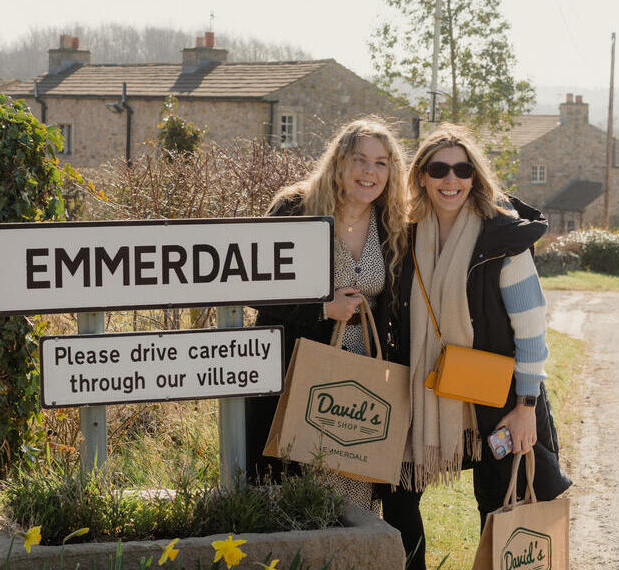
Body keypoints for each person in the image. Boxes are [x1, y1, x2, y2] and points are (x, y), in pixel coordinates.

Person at [379, 124, 571, 570]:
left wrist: (526, 406)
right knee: (398, 498)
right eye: (439, 168)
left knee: (502, 504)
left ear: (475, 176)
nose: (451, 180)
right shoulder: (402, 235)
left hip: (495, 398)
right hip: (421, 390)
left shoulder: (503, 239)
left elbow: (531, 330)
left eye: (462, 169)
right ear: (421, 175)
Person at [244, 117, 409, 511]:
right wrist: (323, 308)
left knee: (353, 483)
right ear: (338, 162)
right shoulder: (295, 209)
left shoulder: (392, 223)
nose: (370, 172)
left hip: (361, 378)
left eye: (381, 163)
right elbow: (256, 291)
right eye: (360, 159)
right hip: (296, 369)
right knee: (292, 485)